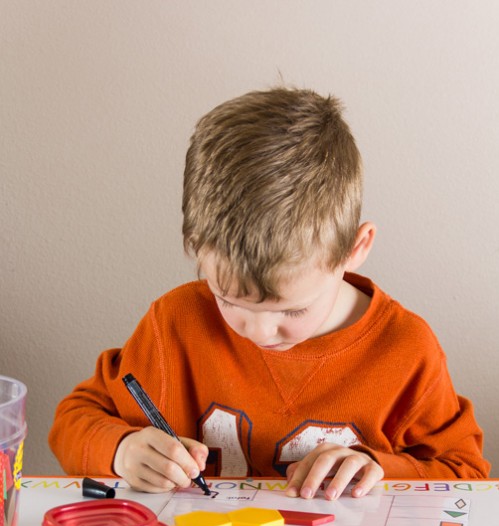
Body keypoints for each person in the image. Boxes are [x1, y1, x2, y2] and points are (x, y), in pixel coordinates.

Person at [48, 87, 490, 499]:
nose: (258, 331)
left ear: (354, 249)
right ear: (196, 249)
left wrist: (381, 469)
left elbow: (467, 475)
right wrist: (122, 449)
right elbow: (72, 422)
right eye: (228, 299)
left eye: (293, 309)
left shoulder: (405, 350)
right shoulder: (175, 323)